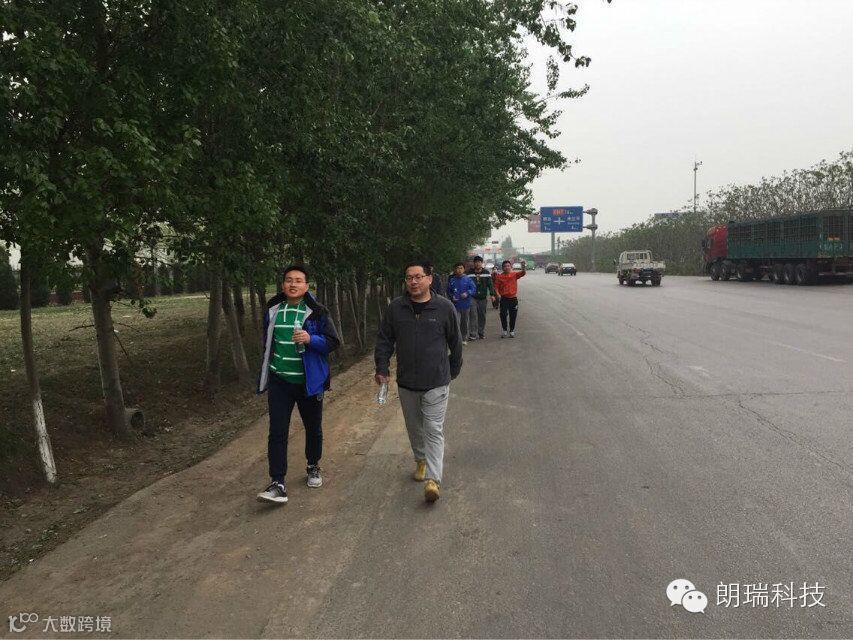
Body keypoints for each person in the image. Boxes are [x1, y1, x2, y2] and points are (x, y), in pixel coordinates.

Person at [374, 261, 463, 503]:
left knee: (433, 429)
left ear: (429, 279)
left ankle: (433, 479)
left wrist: (452, 371)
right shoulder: (396, 308)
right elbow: (384, 340)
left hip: (436, 381)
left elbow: (455, 342)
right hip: (407, 382)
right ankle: (421, 460)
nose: (413, 281)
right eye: (409, 277)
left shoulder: (444, 307)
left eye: (418, 277)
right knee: (414, 428)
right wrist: (382, 368)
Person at [256, 264, 341, 504]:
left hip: (309, 383)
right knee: (277, 431)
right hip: (280, 381)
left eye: (298, 280)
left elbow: (333, 342)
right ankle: (277, 482)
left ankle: (313, 465)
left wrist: (310, 339)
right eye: (289, 280)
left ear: (306, 286)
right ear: (283, 284)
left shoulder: (317, 312)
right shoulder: (273, 309)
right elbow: (268, 341)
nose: (293, 284)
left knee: (313, 428)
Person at [492, 259, 526, 338]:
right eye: (505, 266)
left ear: (510, 267)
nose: (507, 267)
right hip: (504, 299)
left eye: (508, 266)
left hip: (513, 299)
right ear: (502, 268)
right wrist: (498, 294)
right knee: (503, 315)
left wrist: (523, 265)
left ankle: (511, 330)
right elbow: (496, 287)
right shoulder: (499, 277)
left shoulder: (514, 275)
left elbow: (523, 273)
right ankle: (504, 330)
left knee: (513, 315)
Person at [446, 262, 477, 345]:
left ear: (464, 269)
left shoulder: (468, 279)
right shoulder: (452, 280)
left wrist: (467, 293)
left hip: (466, 304)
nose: (459, 270)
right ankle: (457, 338)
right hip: (455, 305)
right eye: (457, 268)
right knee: (456, 322)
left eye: (461, 268)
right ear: (454, 270)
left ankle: (464, 337)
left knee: (464, 322)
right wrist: (452, 297)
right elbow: (449, 291)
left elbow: (473, 289)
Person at [466, 256, 497, 340]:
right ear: (474, 263)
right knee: (473, 315)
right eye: (476, 262)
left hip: (483, 297)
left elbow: (490, 284)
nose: (477, 263)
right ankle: (473, 334)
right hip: (472, 297)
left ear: (481, 263)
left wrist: (492, 295)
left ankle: (481, 332)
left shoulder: (486, 273)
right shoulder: (468, 273)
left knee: (482, 315)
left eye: (479, 262)